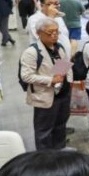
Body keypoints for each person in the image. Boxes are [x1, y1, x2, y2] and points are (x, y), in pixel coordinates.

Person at [21, 18, 74, 152]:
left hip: (63, 92)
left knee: (61, 124)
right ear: (39, 33)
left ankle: (60, 148)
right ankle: (45, 156)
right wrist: (50, 80)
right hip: (45, 95)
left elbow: (63, 66)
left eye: (57, 31)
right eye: (50, 32)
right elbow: (26, 76)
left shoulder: (59, 47)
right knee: (44, 129)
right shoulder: (32, 52)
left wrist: (68, 81)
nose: (54, 35)